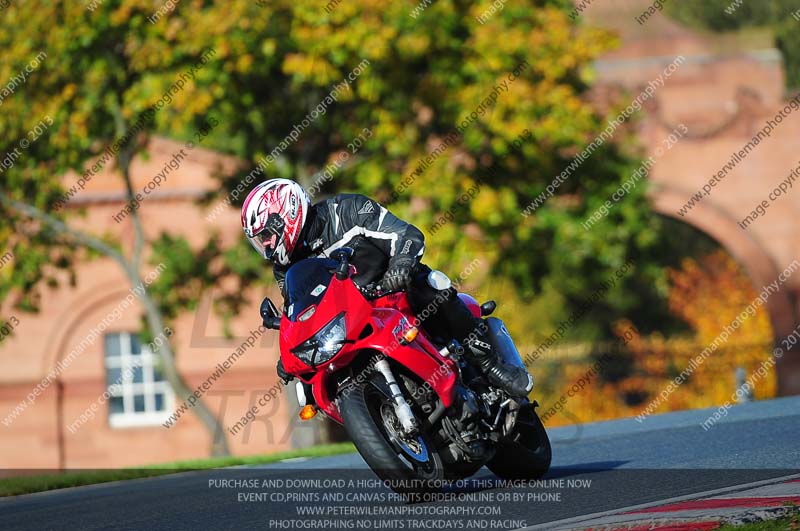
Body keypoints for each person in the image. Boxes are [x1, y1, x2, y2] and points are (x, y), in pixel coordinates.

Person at [241, 178, 533, 397]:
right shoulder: (286, 266)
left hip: (394, 289)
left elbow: (405, 233)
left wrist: (401, 266)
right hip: (353, 320)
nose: (265, 245)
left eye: (266, 235)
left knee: (431, 284)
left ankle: (491, 363)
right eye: (259, 240)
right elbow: (302, 310)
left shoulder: (347, 210)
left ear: (287, 215)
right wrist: (291, 350)